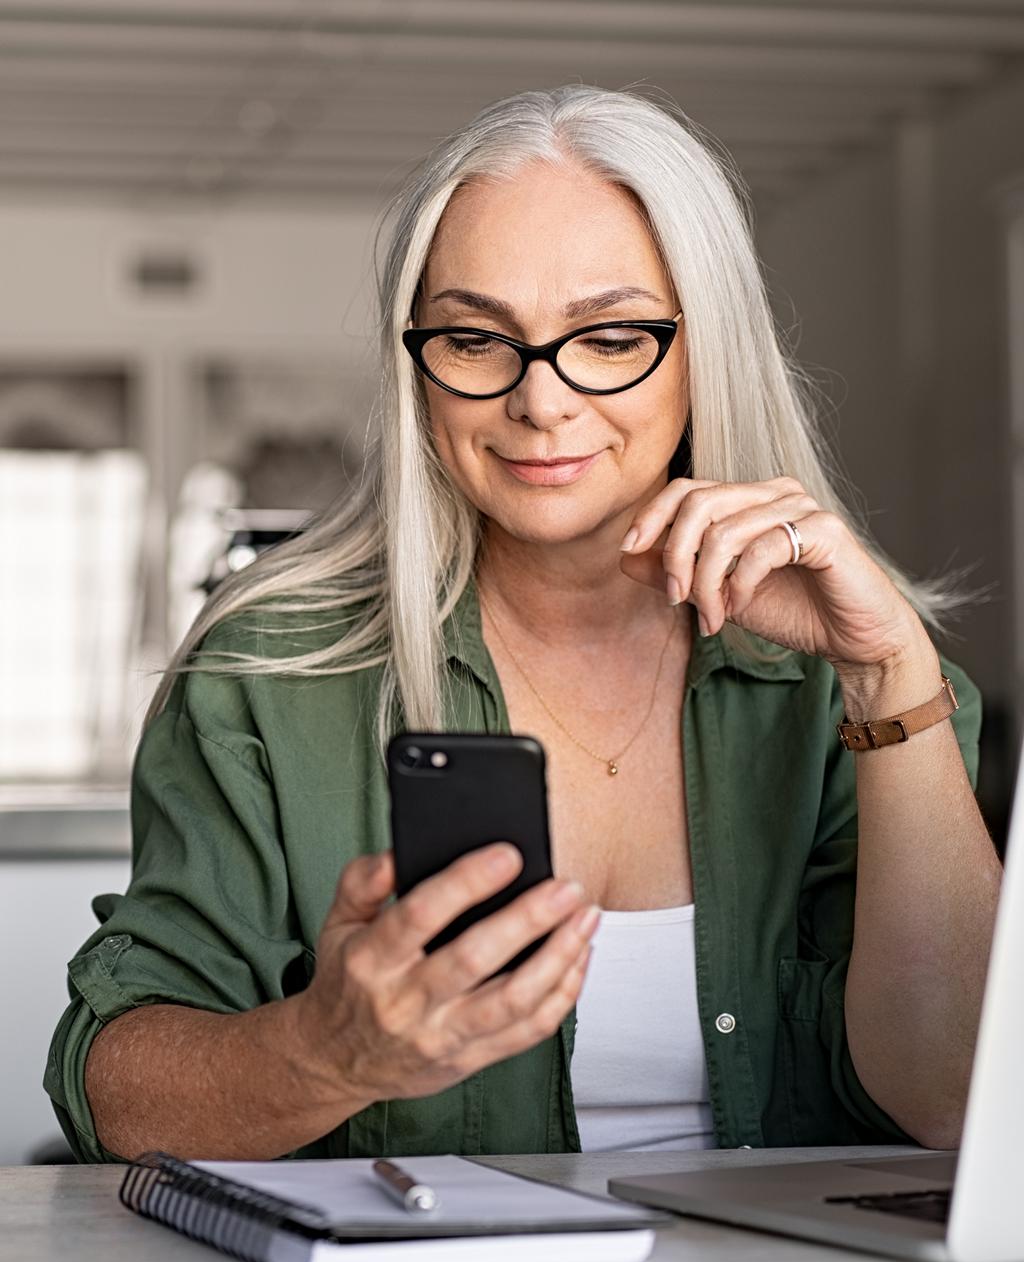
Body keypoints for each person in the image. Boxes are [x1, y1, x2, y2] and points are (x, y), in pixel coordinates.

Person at [47, 86, 1002, 1164]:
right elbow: (114, 1094)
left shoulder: (858, 683)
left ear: (705, 348)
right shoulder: (268, 670)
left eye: (607, 337)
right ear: (417, 368)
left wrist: (888, 679)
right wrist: (327, 1052)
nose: (539, 401)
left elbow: (956, 1099)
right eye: (473, 338)